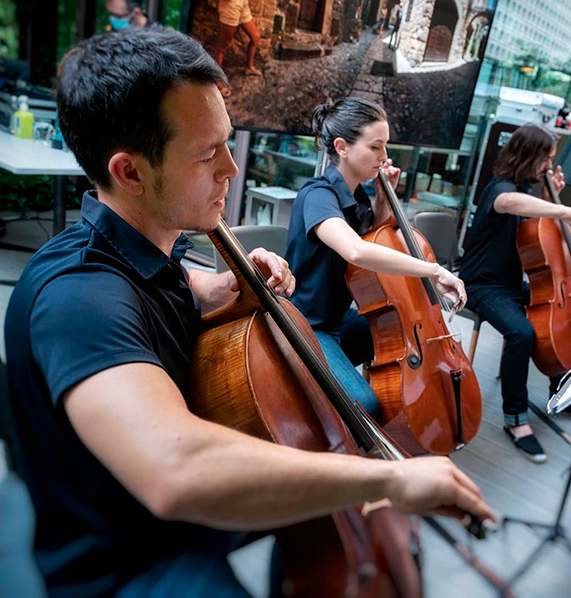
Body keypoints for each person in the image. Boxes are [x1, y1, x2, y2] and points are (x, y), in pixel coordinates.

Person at [4, 27, 493, 597]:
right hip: (132, 559)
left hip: (187, 525)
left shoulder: (151, 252)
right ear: (130, 172)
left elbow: (170, 285)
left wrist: (218, 289)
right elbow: (176, 469)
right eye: (208, 153)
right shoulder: (77, 297)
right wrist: (389, 474)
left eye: (227, 143)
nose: (232, 170)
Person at [285, 97, 467, 421]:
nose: (384, 157)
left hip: (336, 320)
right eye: (375, 147)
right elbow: (356, 251)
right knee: (364, 406)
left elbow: (374, 248)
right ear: (342, 147)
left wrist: (384, 202)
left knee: (394, 333)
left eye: (385, 147)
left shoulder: (357, 198)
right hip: (305, 324)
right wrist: (434, 270)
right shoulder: (317, 195)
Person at [459, 124, 571, 463]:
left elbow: (534, 233)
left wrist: (552, 199)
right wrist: (566, 210)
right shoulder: (500, 189)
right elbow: (509, 203)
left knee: (559, 318)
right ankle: (515, 419)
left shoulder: (525, 190)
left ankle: (561, 388)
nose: (549, 167)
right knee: (522, 332)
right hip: (481, 285)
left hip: (509, 283)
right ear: (529, 156)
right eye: (546, 159)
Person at [214, 0, 262, 97]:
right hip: (230, 6)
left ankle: (249, 67)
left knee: (255, 37)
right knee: (222, 47)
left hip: (243, 4)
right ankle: (215, 83)